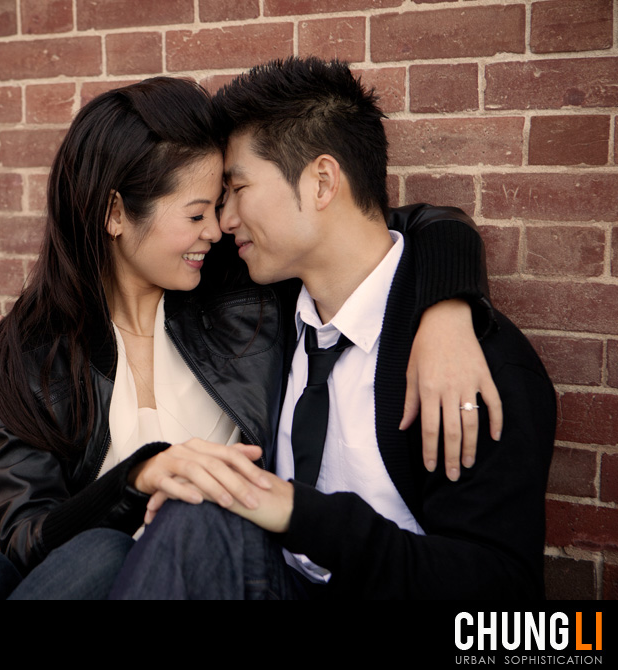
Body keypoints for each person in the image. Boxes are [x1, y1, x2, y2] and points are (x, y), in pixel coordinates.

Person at [0, 74, 498, 600]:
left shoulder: (243, 295)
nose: (219, 229)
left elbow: (395, 228)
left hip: (204, 574)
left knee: (101, 554)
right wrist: (138, 478)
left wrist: (447, 309)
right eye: (196, 214)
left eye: (222, 204)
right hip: (76, 583)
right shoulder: (27, 355)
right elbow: (28, 540)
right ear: (115, 214)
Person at [110, 59, 555, 600]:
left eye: (238, 188)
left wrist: (302, 515)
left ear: (322, 181)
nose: (224, 222)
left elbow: (500, 595)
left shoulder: (475, 369)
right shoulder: (263, 312)